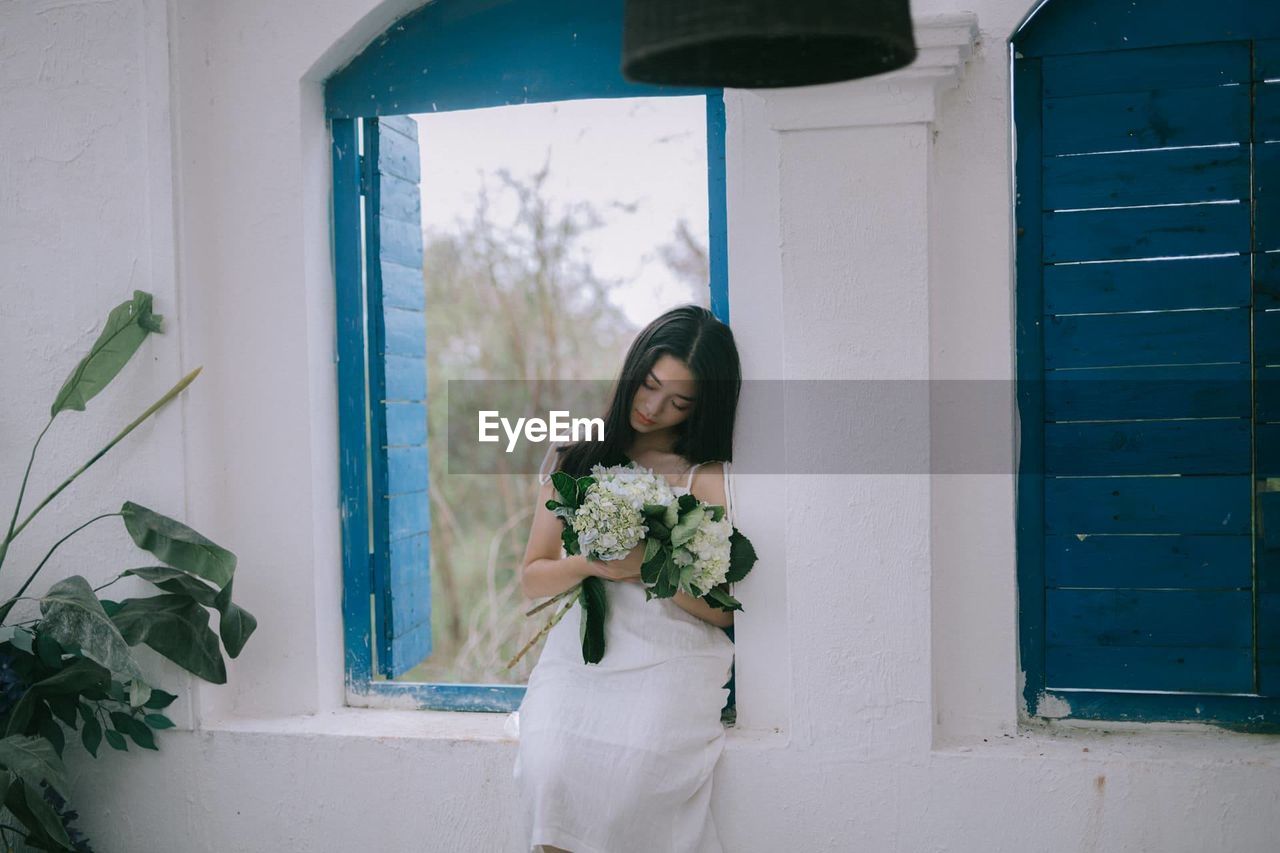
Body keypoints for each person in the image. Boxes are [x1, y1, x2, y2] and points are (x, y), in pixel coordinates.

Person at [510, 303, 743, 853]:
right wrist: (591, 563)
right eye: (649, 385)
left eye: (679, 402)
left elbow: (724, 610)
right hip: (582, 656)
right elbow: (532, 577)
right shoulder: (576, 454)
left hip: (673, 652)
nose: (654, 408)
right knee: (552, 769)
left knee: (631, 775)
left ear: (701, 407)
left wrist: (650, 567)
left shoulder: (703, 475)